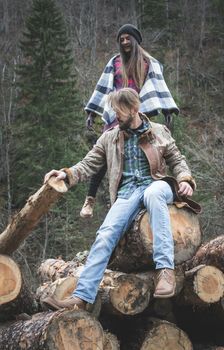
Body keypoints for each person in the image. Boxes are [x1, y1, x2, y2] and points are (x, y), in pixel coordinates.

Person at [43, 87, 197, 311]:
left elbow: (177, 159)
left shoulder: (158, 131)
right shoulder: (109, 138)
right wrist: (66, 174)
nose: (115, 116)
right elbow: (88, 165)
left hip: (156, 184)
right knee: (105, 234)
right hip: (127, 193)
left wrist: (185, 179)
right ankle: (81, 296)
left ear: (134, 109)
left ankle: (165, 272)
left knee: (154, 194)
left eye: (119, 111)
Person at [80, 23, 179, 219]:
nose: (125, 42)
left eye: (128, 38)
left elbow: (158, 87)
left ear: (135, 41)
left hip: (137, 114)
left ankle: (150, 193)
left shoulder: (149, 63)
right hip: (118, 115)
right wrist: (91, 112)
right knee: (105, 153)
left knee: (146, 154)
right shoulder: (115, 62)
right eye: (121, 39)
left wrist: (167, 109)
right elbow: (102, 87)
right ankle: (90, 198)